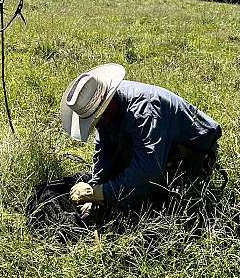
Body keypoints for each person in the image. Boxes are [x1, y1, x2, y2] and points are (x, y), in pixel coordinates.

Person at [60, 63, 222, 214]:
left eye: (99, 119)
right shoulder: (107, 113)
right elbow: (104, 152)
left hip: (193, 150)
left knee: (160, 201)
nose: (98, 125)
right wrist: (95, 188)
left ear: (109, 104)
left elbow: (147, 172)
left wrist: (101, 193)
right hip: (157, 142)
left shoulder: (144, 111)